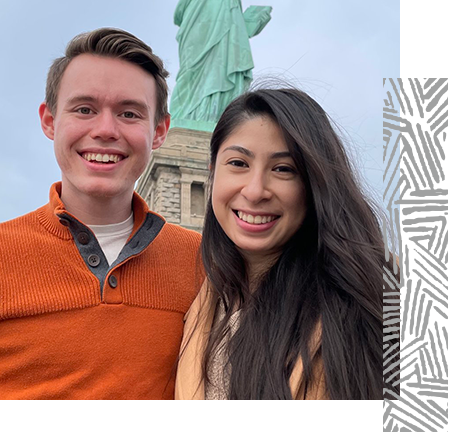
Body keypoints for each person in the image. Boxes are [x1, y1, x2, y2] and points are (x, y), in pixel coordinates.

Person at [0, 28, 202, 400]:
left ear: (159, 131)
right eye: (84, 109)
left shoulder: (205, 263)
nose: (106, 130)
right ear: (49, 121)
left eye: (129, 113)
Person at [175, 88, 400, 400]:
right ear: (212, 173)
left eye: (283, 169)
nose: (255, 191)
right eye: (239, 163)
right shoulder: (199, 301)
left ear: (314, 184)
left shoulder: (374, 298)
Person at [169, 0, 272, 131]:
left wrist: (245, 23)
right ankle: (191, 114)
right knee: (194, 69)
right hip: (199, 11)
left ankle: (218, 116)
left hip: (227, 11)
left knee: (223, 61)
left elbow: (234, 30)